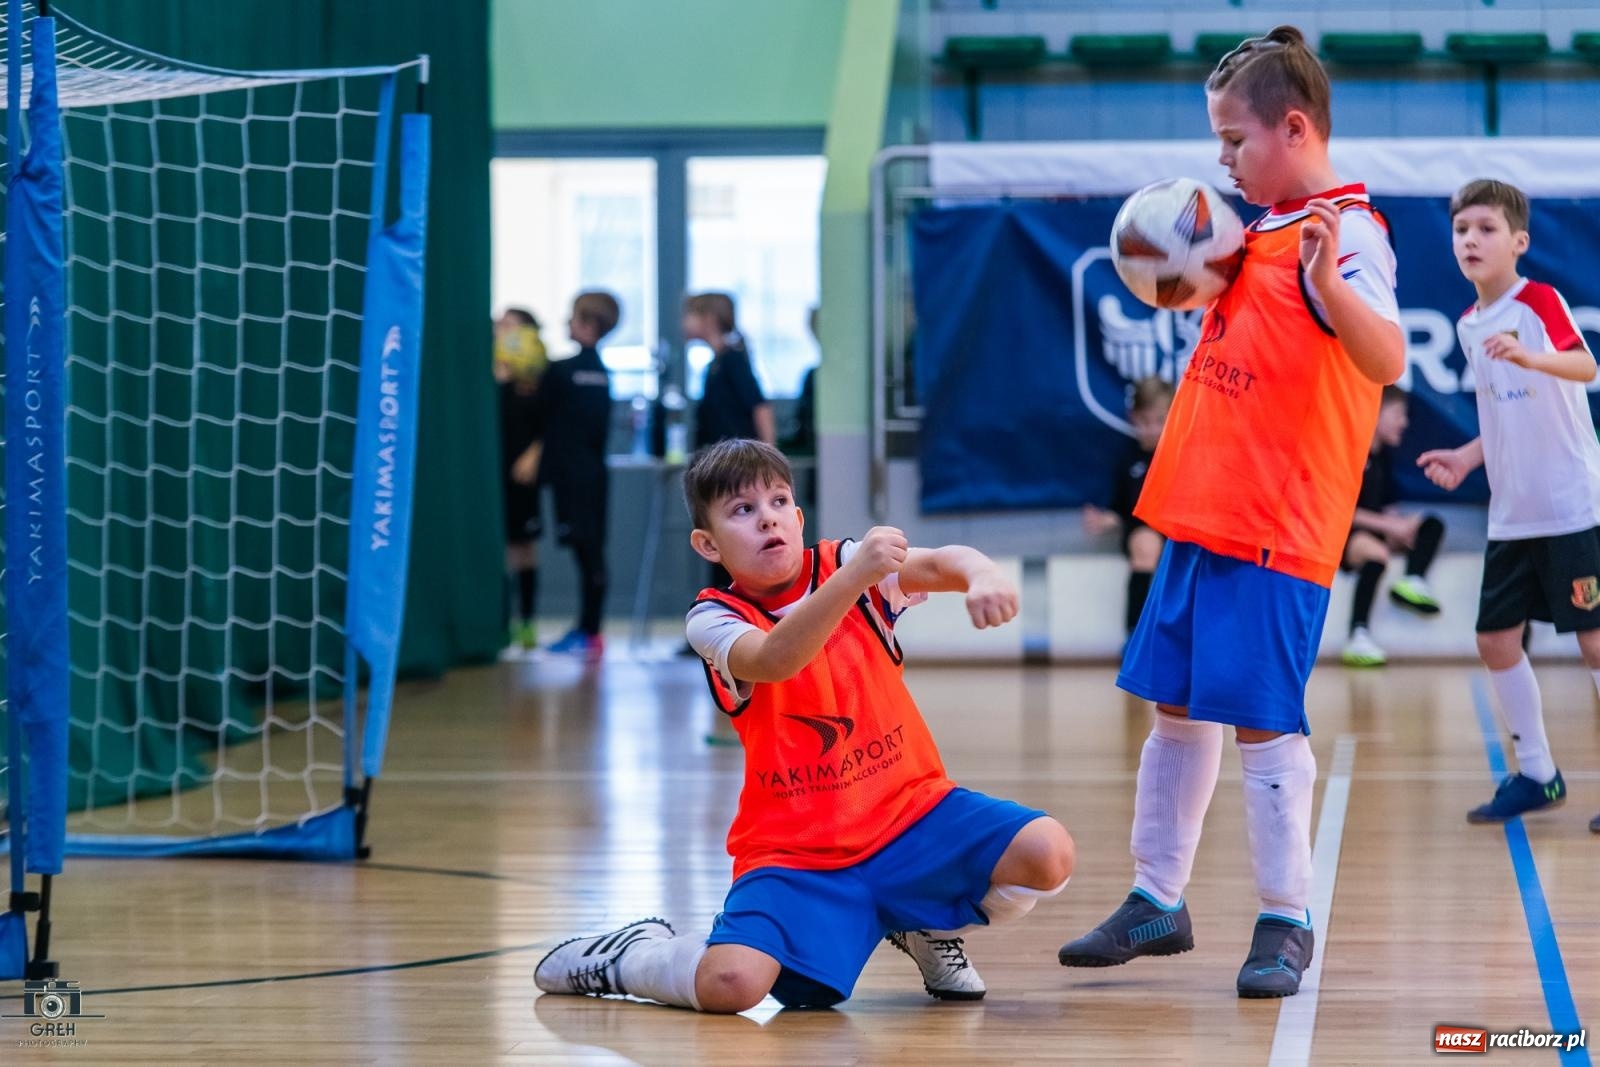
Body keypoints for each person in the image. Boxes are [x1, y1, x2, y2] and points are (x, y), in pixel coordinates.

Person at [1057, 26, 1405, 998]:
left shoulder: (1347, 234)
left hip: (1274, 526)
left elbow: (1386, 358)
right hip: (1197, 515)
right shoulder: (1253, 232)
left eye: (1233, 139)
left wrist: (1328, 286)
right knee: (1173, 711)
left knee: (1261, 725)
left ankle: (1286, 915)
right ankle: (1156, 897)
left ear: (1293, 128)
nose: (1222, 159)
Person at [535, 439, 1076, 1011]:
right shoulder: (713, 618)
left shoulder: (845, 564)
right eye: (742, 510)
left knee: (1047, 852)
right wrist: (855, 576)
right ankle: (633, 954)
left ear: (798, 519)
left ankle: (924, 921)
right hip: (796, 854)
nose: (766, 518)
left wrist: (984, 575)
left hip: (909, 814)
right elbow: (775, 659)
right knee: (731, 985)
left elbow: (943, 561)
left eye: (778, 502)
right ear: (708, 544)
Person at [1417, 178, 1600, 832]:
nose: (1471, 239)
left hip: (1571, 504)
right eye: (1462, 228)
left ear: (1519, 241)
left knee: (1594, 640)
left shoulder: (1538, 301)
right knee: (1494, 638)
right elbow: (1502, 413)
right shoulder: (1469, 324)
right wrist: (1469, 457)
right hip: (1512, 513)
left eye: (1486, 228)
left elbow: (1586, 368)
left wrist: (1532, 354)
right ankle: (1537, 773)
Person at [530, 291, 618, 660]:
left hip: (571, 478)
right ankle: (589, 630)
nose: (568, 323)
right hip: (594, 475)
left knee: (588, 554)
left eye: (575, 317)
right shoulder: (603, 373)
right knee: (591, 552)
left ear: (589, 325)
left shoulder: (561, 371)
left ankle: (589, 632)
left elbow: (538, 412)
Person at [1340, 386, 1447, 667]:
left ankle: (1414, 580)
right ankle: (1358, 635)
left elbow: (1384, 505)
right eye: (1398, 414)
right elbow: (1341, 511)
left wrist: (1400, 525)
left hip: (1377, 528)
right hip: (1348, 534)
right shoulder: (1351, 453)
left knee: (1429, 524)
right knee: (1376, 554)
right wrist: (1389, 525)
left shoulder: (1382, 457)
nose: (1404, 423)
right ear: (1375, 412)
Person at [1082, 376, 1173, 639]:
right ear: (1133, 418)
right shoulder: (1127, 458)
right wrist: (1108, 519)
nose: (1152, 429)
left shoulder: (1180, 454)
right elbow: (1121, 506)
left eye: (1159, 421)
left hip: (1176, 529)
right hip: (1141, 528)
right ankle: (1135, 635)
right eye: (1145, 421)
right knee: (1146, 545)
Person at [495, 308, 547, 651]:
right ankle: (499, 622)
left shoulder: (537, 381)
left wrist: (534, 454)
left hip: (522, 481)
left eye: (510, 324)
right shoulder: (493, 379)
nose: (502, 328)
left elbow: (550, 424)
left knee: (523, 548)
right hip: (495, 476)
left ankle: (526, 622)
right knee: (500, 549)